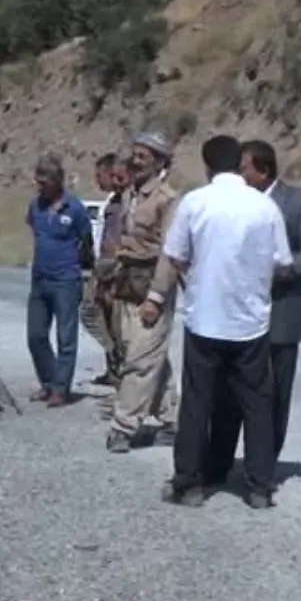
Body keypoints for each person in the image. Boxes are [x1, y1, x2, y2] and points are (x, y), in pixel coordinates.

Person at [149, 135, 292, 509]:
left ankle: (189, 483)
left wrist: (195, 279)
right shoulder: (264, 206)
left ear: (208, 165)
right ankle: (260, 485)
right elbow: (282, 261)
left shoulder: (195, 203)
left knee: (197, 403)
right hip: (251, 321)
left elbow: (175, 255)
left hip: (205, 319)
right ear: (239, 163)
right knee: (258, 404)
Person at [200, 140, 301, 473]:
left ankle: (263, 468)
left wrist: (281, 271)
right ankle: (218, 464)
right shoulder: (231, 203)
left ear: (263, 170)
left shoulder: (297, 202)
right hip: (236, 315)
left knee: (274, 395)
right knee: (227, 393)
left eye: (243, 169)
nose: (238, 175)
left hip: (281, 312)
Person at [106, 131, 180, 453]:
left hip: (152, 284)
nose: (136, 161)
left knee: (139, 359)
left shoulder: (167, 199)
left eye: (144, 156)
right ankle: (173, 417)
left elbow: (171, 252)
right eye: (134, 154)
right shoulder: (127, 196)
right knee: (146, 355)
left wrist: (157, 297)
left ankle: (124, 426)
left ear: (160, 161)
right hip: (126, 283)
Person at [26, 153, 95, 408]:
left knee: (66, 337)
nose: (40, 186)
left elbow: (86, 243)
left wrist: (86, 274)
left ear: (58, 181)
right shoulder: (35, 206)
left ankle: (60, 388)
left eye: (45, 181)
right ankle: (49, 381)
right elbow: (34, 229)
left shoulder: (74, 208)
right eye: (38, 181)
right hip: (40, 278)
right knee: (35, 335)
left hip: (66, 280)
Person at [81, 153, 123, 388]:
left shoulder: (124, 202)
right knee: (97, 315)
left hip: (113, 268)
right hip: (102, 266)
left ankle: (118, 364)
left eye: (100, 176)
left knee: (111, 319)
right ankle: (113, 364)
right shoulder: (111, 201)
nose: (97, 181)